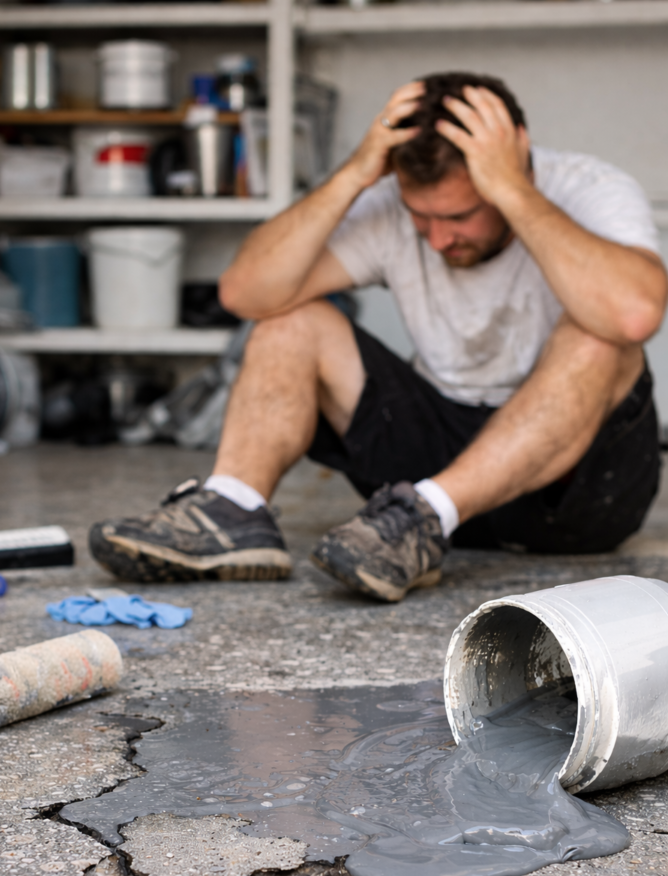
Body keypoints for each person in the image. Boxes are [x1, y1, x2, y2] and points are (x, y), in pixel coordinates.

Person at [89, 71, 668, 602]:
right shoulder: (391, 204)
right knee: (290, 318)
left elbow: (635, 315)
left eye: (461, 216)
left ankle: (431, 514)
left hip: (572, 495)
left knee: (601, 332)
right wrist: (354, 173)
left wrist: (514, 191)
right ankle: (233, 509)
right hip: (422, 480)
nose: (438, 240)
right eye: (422, 217)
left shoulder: (588, 187)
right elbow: (246, 293)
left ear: (517, 154)